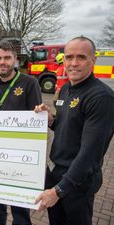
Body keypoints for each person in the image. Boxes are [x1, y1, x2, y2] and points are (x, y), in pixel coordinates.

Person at [34, 36, 114, 225]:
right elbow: (67, 125)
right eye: (69, 57)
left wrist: (59, 191)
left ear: (93, 60)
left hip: (77, 183)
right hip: (57, 175)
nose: (73, 63)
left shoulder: (101, 98)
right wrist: (51, 120)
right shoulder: (66, 89)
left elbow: (90, 154)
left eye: (81, 57)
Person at [0, 40, 42, 225]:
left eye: (7, 58)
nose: (2, 62)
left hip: (19, 157)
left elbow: (36, 117)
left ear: (15, 59)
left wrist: (40, 113)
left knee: (20, 211)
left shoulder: (29, 82)